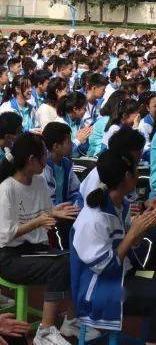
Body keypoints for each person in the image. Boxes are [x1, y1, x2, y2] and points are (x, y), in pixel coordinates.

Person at [70, 150, 156, 344]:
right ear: (127, 176)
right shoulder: (93, 218)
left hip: (123, 275)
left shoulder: (119, 204)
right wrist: (132, 234)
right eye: (136, 170)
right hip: (101, 289)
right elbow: (104, 268)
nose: (139, 173)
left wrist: (145, 222)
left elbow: (133, 243)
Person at [0, 133, 89, 345]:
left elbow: (45, 210)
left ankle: (70, 319)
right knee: (61, 264)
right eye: (44, 155)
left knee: (79, 258)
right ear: (31, 160)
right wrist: (39, 221)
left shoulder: (39, 181)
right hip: (9, 257)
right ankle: (45, 331)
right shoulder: (6, 189)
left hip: (34, 249)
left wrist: (55, 212)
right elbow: (6, 234)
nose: (47, 158)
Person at [42, 123, 82, 249]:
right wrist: (57, 211)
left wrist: (75, 206)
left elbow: (75, 190)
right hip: (49, 216)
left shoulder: (66, 164)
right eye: (68, 142)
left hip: (64, 212)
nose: (71, 145)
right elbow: (47, 198)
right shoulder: (44, 167)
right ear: (56, 146)